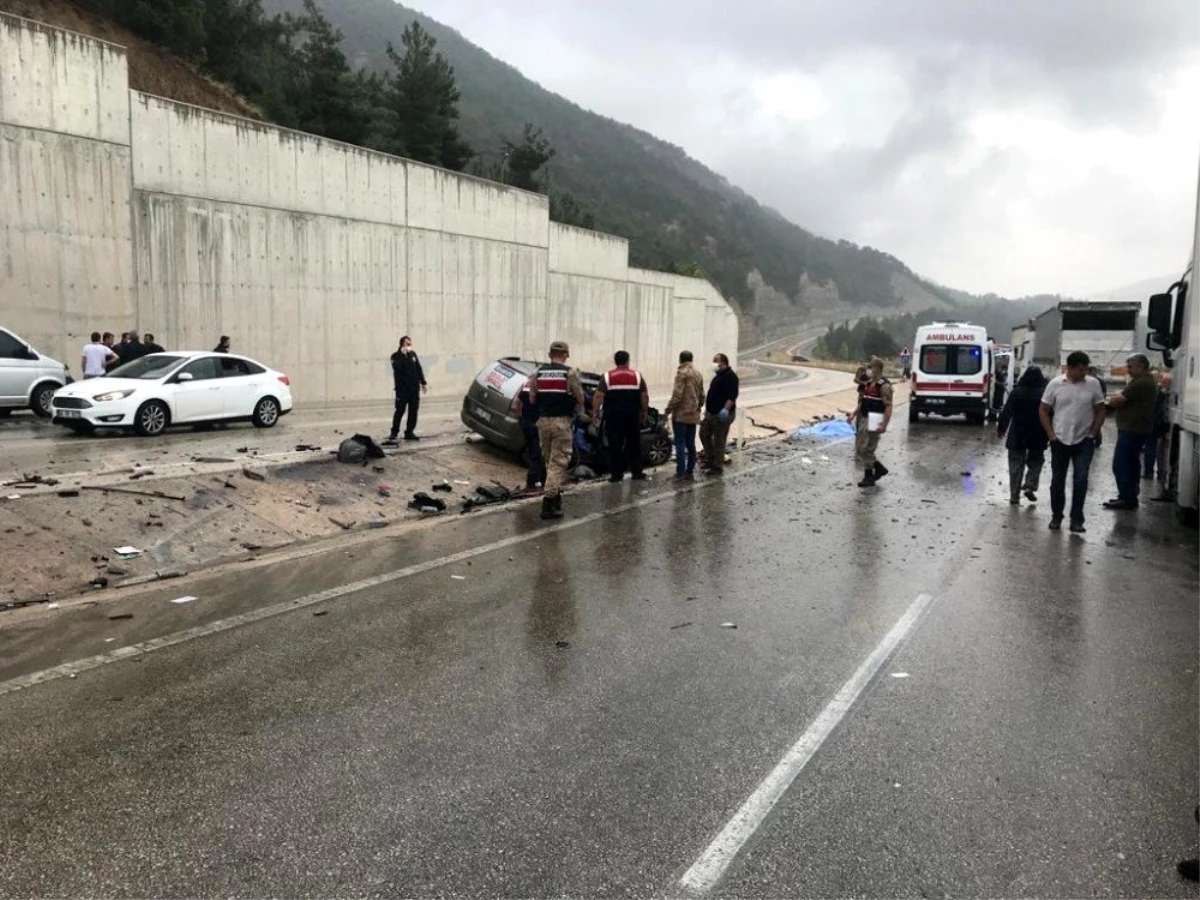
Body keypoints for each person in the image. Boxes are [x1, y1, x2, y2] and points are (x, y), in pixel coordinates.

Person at [1040, 351, 1106, 532]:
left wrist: (1093, 433)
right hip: (1060, 439)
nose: (1084, 373)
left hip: (1083, 440)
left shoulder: (1093, 384)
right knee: (1058, 480)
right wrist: (1051, 435)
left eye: (1086, 370)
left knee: (1081, 480)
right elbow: (1043, 409)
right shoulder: (1055, 384)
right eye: (1080, 370)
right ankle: (1056, 516)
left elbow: (1101, 409)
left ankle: (1077, 520)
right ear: (1069, 368)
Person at [528, 341, 586, 519]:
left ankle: (556, 498)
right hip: (561, 423)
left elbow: (531, 399)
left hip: (543, 423)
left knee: (549, 461)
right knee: (559, 462)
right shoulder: (569, 373)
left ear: (549, 354)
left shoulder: (537, 373)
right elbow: (581, 398)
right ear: (566, 355)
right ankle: (548, 504)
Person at [1102, 353, 1157, 511]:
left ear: (1141, 367)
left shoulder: (1141, 383)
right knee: (1131, 463)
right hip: (1137, 429)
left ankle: (1126, 498)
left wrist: (1111, 402)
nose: (1128, 369)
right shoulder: (1145, 381)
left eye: (1130, 366)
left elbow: (1118, 400)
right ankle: (1129, 495)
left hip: (1132, 429)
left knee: (1121, 464)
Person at [592, 350, 649, 483]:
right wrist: (644, 412)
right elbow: (644, 396)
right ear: (628, 361)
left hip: (613, 417)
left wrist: (595, 411)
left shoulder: (606, 377)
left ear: (615, 361)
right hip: (632, 416)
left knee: (615, 445)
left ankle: (616, 475)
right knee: (634, 444)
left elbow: (599, 395)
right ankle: (637, 472)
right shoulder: (637, 376)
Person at [997, 367, 1048, 504]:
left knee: (1015, 464)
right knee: (1036, 461)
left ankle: (1014, 495)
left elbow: (1007, 411)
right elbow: (1051, 414)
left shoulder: (1017, 392)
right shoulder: (1044, 394)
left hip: (1017, 433)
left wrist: (1001, 428)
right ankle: (1030, 485)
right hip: (1038, 434)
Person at [852, 357, 893, 488]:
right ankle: (878, 469)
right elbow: (863, 401)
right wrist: (854, 413)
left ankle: (869, 476)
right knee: (860, 448)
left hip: (875, 418)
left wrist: (884, 424)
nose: (869, 370)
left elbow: (888, 406)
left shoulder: (884, 386)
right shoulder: (869, 384)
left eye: (871, 368)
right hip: (865, 416)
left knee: (867, 448)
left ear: (877, 369)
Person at [664, 350, 704, 480]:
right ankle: (689, 471)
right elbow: (702, 395)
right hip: (693, 415)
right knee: (691, 444)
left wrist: (667, 411)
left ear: (680, 360)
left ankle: (680, 472)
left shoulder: (682, 374)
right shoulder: (698, 374)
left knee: (680, 443)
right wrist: (698, 408)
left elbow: (677, 396)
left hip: (681, 415)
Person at [700, 353, 739, 475]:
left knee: (719, 440)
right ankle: (710, 459)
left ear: (723, 362)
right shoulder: (718, 376)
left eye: (716, 361)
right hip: (711, 413)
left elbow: (732, 395)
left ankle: (717, 466)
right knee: (703, 434)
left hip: (722, 414)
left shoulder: (731, 376)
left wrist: (725, 410)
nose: (714, 364)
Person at [388, 335, 428, 442]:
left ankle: (409, 432)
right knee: (399, 411)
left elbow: (418, 368)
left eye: (410, 344)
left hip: (414, 389)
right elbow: (397, 368)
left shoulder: (413, 355)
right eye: (407, 344)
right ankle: (394, 432)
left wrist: (423, 382)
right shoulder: (395, 356)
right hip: (402, 390)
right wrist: (403, 355)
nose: (409, 346)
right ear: (402, 344)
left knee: (413, 411)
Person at [518, 381, 545, 491]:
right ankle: (533, 481)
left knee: (532, 450)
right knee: (537, 453)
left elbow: (517, 404)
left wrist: (522, 418)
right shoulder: (541, 387)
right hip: (536, 424)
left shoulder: (525, 384)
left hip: (526, 423)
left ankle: (538, 479)